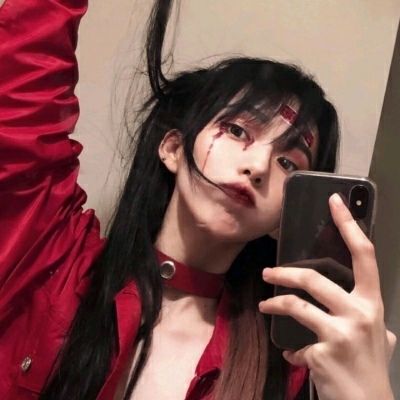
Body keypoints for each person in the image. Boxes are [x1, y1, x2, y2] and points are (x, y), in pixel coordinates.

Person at [0, 0, 396, 399]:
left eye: (288, 163)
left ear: (285, 217)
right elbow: (21, 96)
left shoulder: (292, 369)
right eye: (238, 131)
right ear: (173, 148)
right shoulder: (52, 260)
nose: (258, 166)